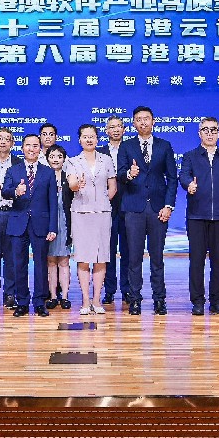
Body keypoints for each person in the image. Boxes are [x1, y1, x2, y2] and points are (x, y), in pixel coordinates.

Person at [117, 106, 177, 316]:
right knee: (134, 257)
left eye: (146, 118)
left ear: (153, 121)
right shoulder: (126, 146)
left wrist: (168, 206)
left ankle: (159, 299)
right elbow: (120, 175)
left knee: (157, 257)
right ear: (133, 123)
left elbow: (172, 178)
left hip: (158, 209)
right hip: (133, 208)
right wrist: (129, 174)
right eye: (139, 119)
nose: (143, 122)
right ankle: (135, 299)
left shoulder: (164, 145)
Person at [180, 117, 219, 316]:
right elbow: (183, 175)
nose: (210, 133)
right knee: (197, 261)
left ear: (218, 133)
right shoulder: (190, 156)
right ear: (199, 133)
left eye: (214, 130)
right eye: (205, 130)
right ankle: (197, 301)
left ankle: (217, 300)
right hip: (197, 216)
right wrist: (189, 184)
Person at [1, 134, 58, 317]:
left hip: (40, 224)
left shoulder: (48, 172)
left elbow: (52, 202)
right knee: (19, 264)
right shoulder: (13, 170)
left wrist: (53, 227)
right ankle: (22, 302)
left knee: (41, 264)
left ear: (40, 149)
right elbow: (5, 192)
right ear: (22, 148)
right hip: (18, 223)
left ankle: (40, 302)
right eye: (28, 145)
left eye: (35, 146)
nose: (31, 149)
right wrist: (16, 192)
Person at [67, 124, 117, 315]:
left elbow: (112, 187)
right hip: (81, 213)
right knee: (83, 258)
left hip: (102, 213)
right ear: (79, 140)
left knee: (101, 257)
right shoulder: (73, 161)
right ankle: (85, 301)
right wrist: (77, 185)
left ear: (97, 139)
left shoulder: (106, 160)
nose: (89, 139)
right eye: (85, 136)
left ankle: (97, 300)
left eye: (92, 136)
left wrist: (102, 202)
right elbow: (72, 184)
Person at [0, 127, 21, 309]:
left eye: (6, 139)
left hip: (13, 213)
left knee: (11, 257)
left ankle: (10, 295)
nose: (2, 142)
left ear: (12, 143)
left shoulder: (19, 163)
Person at [97, 115, 129, 305]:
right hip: (105, 206)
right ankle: (109, 290)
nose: (116, 130)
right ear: (106, 131)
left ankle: (127, 289)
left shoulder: (132, 149)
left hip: (128, 205)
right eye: (112, 127)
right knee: (107, 250)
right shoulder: (99, 153)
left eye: (119, 126)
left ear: (124, 129)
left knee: (127, 250)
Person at [44, 145, 74, 310]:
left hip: (65, 222)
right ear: (47, 158)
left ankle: (65, 297)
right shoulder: (43, 175)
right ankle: (53, 296)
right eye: (52, 156)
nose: (55, 159)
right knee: (50, 261)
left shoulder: (69, 177)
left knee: (64, 260)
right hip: (47, 222)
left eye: (59, 156)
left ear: (64, 159)